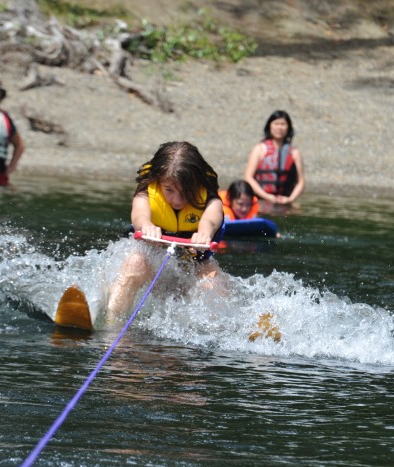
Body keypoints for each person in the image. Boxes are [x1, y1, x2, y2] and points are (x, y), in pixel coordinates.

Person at [106, 141, 225, 321]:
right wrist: (146, 225)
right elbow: (139, 215)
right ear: (158, 181)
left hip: (193, 264)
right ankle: (112, 325)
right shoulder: (144, 195)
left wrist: (204, 233)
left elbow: (210, 219)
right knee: (134, 264)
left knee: (214, 284)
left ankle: (230, 328)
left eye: (186, 191)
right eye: (169, 190)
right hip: (150, 262)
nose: (177, 200)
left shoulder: (211, 200)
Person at [243, 110, 305, 206]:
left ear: (288, 128)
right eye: (276, 124)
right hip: (261, 200)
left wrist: (290, 199)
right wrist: (267, 197)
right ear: (269, 126)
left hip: (285, 200)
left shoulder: (294, 152)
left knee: (297, 208)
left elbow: (301, 181)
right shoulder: (259, 149)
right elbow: (248, 177)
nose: (279, 128)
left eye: (283, 124)